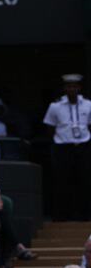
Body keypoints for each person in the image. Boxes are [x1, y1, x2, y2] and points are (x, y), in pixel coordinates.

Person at [43, 74, 91, 221]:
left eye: (75, 86)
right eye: (69, 86)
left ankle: (85, 215)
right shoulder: (55, 106)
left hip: (83, 145)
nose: (72, 89)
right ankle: (62, 217)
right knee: (62, 181)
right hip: (63, 147)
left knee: (85, 180)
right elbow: (49, 127)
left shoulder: (88, 104)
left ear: (79, 88)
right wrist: (62, 139)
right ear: (65, 89)